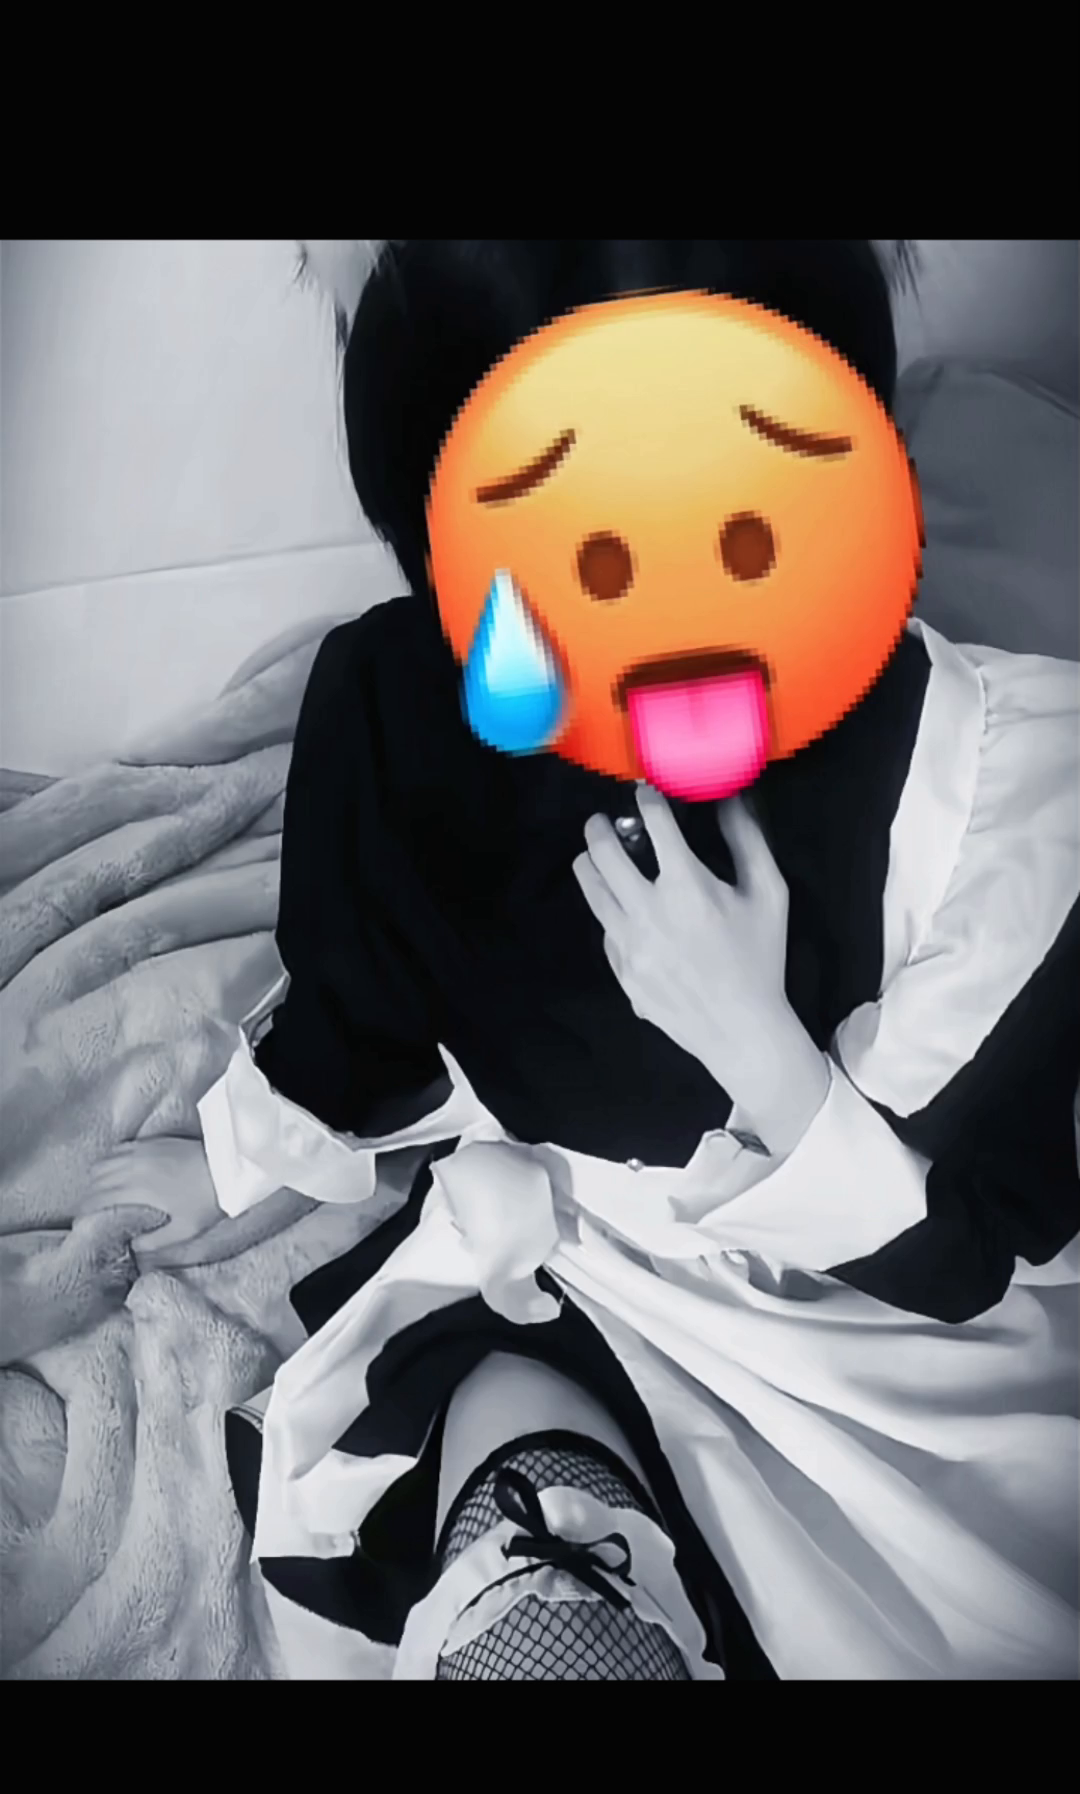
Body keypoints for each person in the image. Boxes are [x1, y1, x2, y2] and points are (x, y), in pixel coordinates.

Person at [85, 241, 1080, 1681]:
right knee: (531, 1536)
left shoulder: (999, 785)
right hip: (579, 1278)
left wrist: (765, 1055)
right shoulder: (398, 702)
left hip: (884, 1348)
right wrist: (242, 1163)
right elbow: (366, 1005)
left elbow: (966, 1246)